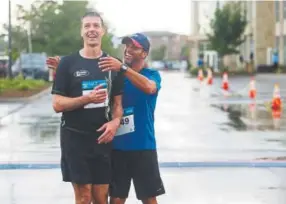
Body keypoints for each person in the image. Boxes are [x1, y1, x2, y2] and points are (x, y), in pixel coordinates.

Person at [47, 33, 165, 204]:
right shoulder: (114, 75)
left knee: (149, 198)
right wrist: (65, 67)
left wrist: (123, 68)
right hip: (116, 147)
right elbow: (86, 80)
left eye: (134, 47)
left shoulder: (150, 75)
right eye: (127, 46)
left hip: (143, 147)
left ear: (144, 53)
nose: (128, 50)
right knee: (116, 199)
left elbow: (149, 88)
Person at [51, 11, 124, 204]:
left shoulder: (112, 64)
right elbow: (57, 104)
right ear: (81, 32)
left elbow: (118, 105)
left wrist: (115, 122)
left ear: (103, 31)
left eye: (96, 26)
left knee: (101, 197)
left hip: (102, 139)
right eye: (87, 26)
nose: (91, 30)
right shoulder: (67, 63)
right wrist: (87, 98)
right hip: (74, 138)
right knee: (83, 197)